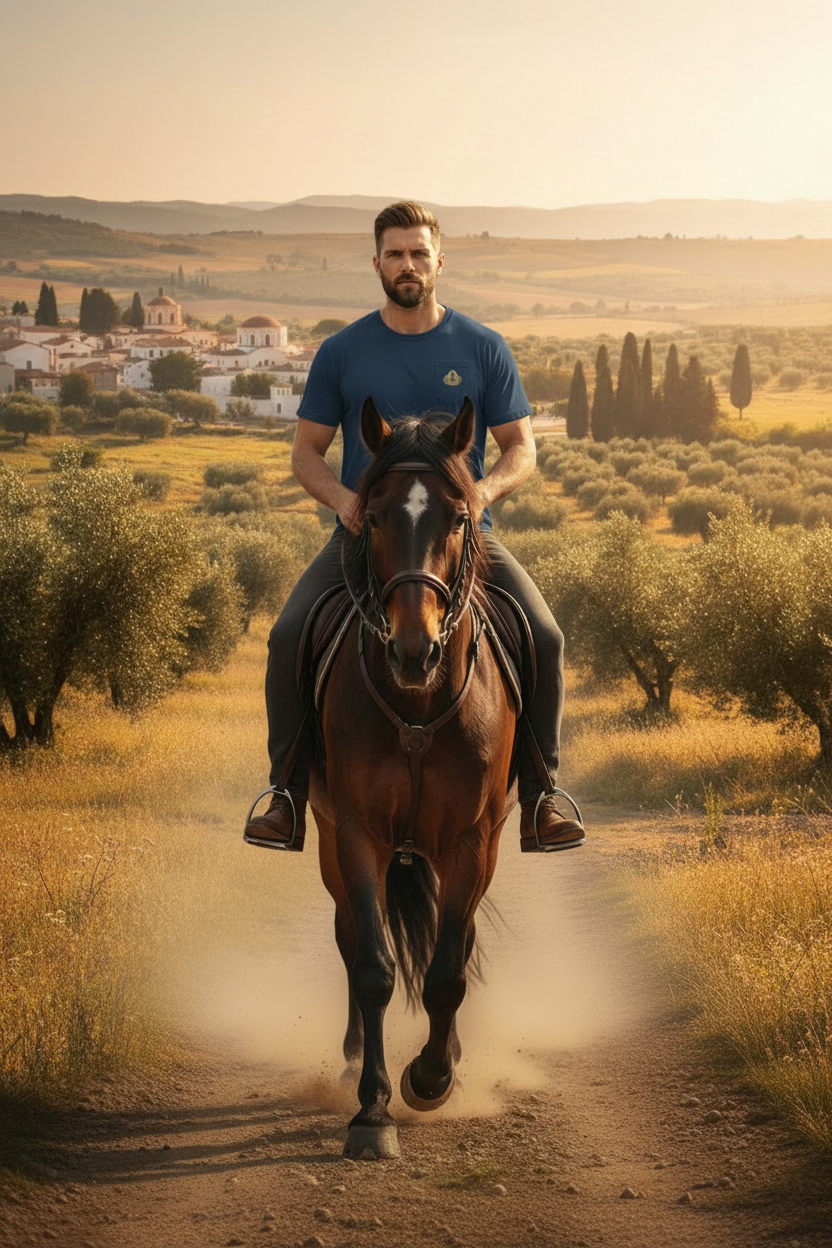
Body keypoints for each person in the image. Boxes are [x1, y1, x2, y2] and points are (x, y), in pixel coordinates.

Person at [244, 200, 584, 854]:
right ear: (376, 263)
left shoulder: (483, 348)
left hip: (459, 538)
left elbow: (522, 448)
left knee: (544, 635)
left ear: (439, 261)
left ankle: (543, 798)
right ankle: (284, 795)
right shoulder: (343, 352)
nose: (407, 265)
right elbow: (305, 453)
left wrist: (482, 491)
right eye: (395, 254)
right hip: (362, 538)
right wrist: (344, 502)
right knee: (288, 635)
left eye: (418, 253)